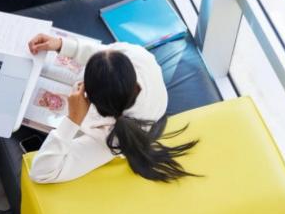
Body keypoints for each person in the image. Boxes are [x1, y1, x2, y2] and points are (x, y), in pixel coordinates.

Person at [26, 33, 198, 184]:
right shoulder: (138, 56)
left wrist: (73, 120)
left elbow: (42, 173)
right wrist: (62, 45)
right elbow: (105, 53)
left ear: (89, 100)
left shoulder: (110, 138)